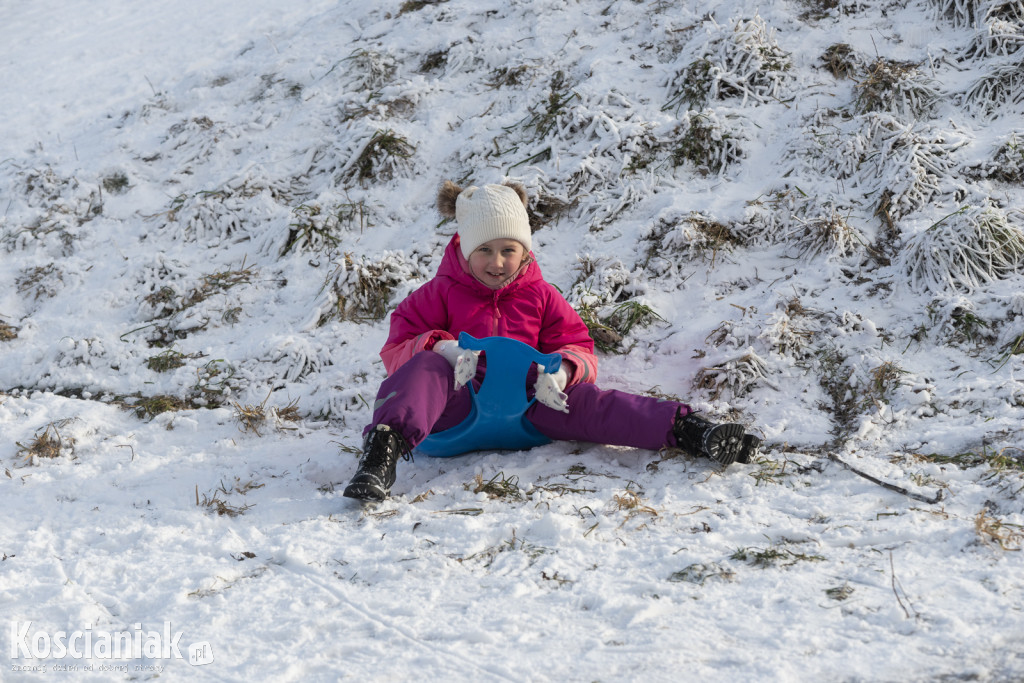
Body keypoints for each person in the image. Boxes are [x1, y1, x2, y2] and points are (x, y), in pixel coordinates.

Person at [343, 180, 761, 501]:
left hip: (530, 409)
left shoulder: (542, 296)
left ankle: (689, 430)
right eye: (484, 250)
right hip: (452, 411)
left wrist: (561, 371)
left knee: (596, 405)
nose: (497, 261)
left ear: (525, 250)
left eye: (509, 249)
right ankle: (382, 452)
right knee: (425, 369)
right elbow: (397, 350)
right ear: (464, 249)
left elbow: (580, 345)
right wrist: (443, 350)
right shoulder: (437, 294)